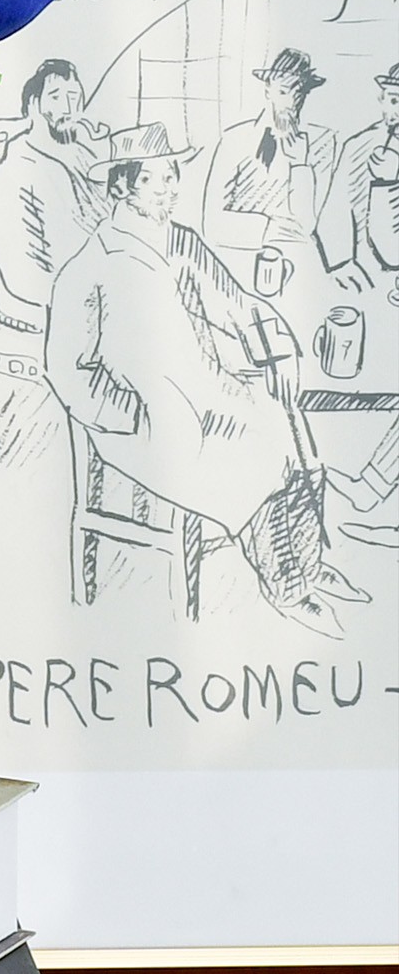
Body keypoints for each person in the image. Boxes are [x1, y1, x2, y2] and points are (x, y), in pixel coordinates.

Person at [46, 124, 366, 637]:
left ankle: (308, 564)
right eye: (154, 179)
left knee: (295, 433)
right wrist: (131, 415)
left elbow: (239, 304)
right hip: (143, 422)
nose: (169, 189)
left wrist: (279, 350)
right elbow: (68, 369)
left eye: (172, 176)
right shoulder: (91, 265)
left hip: (209, 394)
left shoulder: (180, 242)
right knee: (258, 455)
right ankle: (288, 586)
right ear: (122, 186)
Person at [0, 59, 108, 314]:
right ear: (33, 105)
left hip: (100, 277)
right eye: (56, 97)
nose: (68, 107)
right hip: (60, 293)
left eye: (74, 96)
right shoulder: (20, 165)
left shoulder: (83, 153)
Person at [203, 48, 337, 280]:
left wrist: (300, 165)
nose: (291, 102)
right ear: (268, 89)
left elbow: (307, 224)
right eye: (283, 91)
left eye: (299, 92)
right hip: (236, 263)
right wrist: (276, 229)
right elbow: (212, 224)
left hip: (299, 270)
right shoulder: (235, 138)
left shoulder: (322, 141)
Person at [316, 63, 399, 283]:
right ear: (382, 99)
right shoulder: (360, 146)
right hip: (370, 274)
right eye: (394, 101)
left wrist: (389, 183)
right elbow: (336, 207)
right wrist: (341, 263)